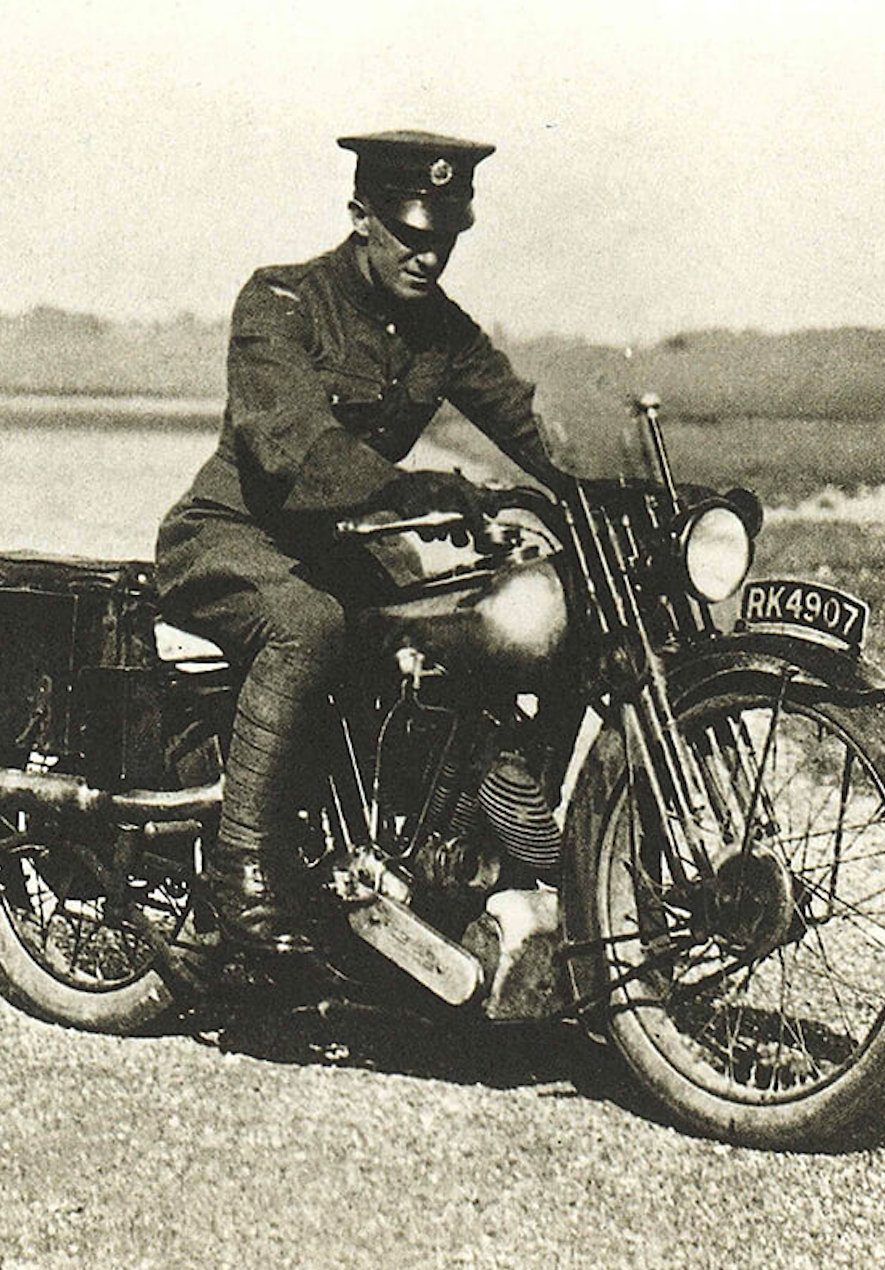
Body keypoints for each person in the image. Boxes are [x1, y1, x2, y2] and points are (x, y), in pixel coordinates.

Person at [154, 129, 564, 972]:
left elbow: (521, 420)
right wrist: (409, 491)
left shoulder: (439, 330)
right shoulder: (282, 302)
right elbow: (292, 446)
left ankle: (422, 862)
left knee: (450, 627)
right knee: (307, 625)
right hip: (233, 537)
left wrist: (614, 489)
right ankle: (241, 874)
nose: (428, 256)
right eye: (411, 234)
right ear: (360, 217)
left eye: (443, 239)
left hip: (345, 549)